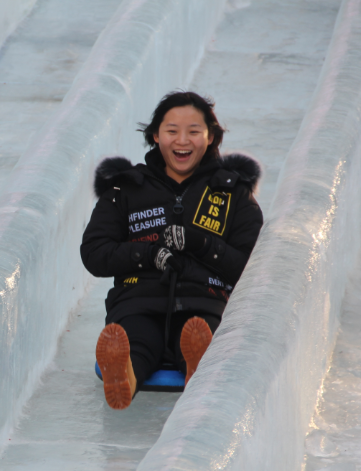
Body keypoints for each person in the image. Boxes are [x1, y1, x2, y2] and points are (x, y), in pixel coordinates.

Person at [81, 91, 262, 409]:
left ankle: (197, 367)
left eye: (194, 131)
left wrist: (201, 244)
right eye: (172, 130)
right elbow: (95, 252)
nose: (183, 140)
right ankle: (124, 375)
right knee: (136, 340)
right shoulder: (126, 188)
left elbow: (251, 267)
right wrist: (147, 254)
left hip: (204, 300)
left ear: (210, 137)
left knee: (197, 335)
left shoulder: (233, 193)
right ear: (155, 135)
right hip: (138, 299)